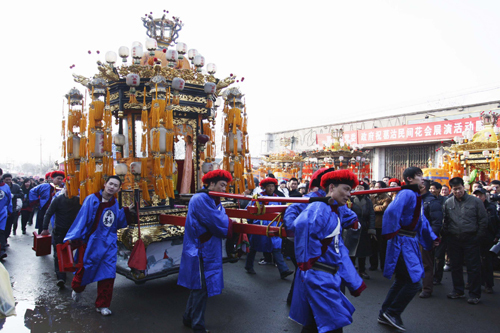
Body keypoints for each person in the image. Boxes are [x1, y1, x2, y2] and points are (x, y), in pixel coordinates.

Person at [290, 169, 366, 333]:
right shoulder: (319, 207)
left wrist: (355, 283)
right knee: (331, 325)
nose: (349, 194)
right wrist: (308, 261)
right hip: (319, 278)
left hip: (327, 277)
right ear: (331, 187)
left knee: (316, 325)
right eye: (346, 189)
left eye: (350, 190)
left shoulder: (333, 210)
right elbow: (301, 225)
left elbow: (339, 252)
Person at [284, 167, 359, 305]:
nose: (348, 193)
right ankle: (295, 301)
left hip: (331, 251)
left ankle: (296, 301)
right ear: (330, 186)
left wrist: (353, 222)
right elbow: (293, 219)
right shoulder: (310, 201)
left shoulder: (337, 203)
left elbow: (350, 217)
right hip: (314, 256)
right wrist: (301, 235)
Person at [378, 167, 438, 331]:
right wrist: (392, 233)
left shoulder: (414, 195)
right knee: (414, 282)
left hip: (409, 241)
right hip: (403, 242)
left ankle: (385, 312)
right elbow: (390, 212)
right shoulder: (407, 193)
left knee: (402, 280)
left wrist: (432, 237)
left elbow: (423, 221)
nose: (422, 179)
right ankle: (392, 312)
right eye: (419, 176)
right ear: (410, 179)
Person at [65, 176, 130, 316]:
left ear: (118, 189)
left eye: (116, 186)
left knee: (108, 275)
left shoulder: (115, 202)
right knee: (85, 269)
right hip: (92, 243)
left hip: (109, 244)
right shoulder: (91, 199)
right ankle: (77, 288)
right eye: (110, 184)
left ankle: (102, 305)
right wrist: (73, 237)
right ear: (105, 184)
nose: (112, 187)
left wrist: (126, 211)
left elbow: (117, 222)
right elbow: (82, 219)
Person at [178, 170, 234, 333]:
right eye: (222, 185)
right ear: (211, 184)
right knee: (201, 288)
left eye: (225, 186)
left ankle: (188, 317)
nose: (224, 189)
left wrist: (226, 220)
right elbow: (217, 221)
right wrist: (230, 224)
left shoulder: (212, 199)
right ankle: (198, 325)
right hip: (199, 249)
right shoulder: (201, 198)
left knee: (198, 287)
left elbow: (220, 218)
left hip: (206, 248)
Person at [443, 177, 487, 305]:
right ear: (452, 189)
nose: (457, 192)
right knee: (455, 266)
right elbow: (445, 221)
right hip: (454, 239)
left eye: (459, 189)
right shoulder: (448, 202)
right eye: (455, 189)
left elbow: (483, 220)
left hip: (471, 238)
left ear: (464, 187)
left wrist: (478, 237)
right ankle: (458, 290)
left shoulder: (475, 202)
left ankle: (474, 294)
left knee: (473, 267)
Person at [244, 177, 293, 279]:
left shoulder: (277, 197)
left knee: (276, 248)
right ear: (265, 187)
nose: (271, 188)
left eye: (272, 186)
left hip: (273, 226)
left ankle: (283, 270)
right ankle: (249, 266)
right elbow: (249, 209)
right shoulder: (258, 197)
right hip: (260, 225)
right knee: (253, 247)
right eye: (269, 186)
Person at [41, 187, 82, 288]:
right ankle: (61, 277)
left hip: (73, 232)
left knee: (74, 252)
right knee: (58, 253)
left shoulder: (78, 201)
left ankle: (72, 271)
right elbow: (48, 213)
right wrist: (45, 228)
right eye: (68, 187)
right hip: (59, 230)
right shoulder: (58, 200)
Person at [345, 181, 376, 280]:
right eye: (357, 187)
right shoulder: (350, 199)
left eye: (361, 188)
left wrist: (371, 228)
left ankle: (362, 270)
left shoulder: (368, 200)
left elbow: (371, 215)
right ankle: (350, 271)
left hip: (363, 227)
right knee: (351, 250)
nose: (358, 189)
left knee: (362, 251)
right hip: (352, 227)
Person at [419, 179, 443, 298]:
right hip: (414, 236)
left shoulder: (432, 201)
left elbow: (436, 222)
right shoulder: (416, 198)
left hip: (426, 237)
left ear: (423, 187)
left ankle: (427, 288)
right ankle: (417, 285)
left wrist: (432, 238)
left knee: (426, 263)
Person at [473, 188, 500, 294]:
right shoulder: (472, 207)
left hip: (488, 238)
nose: (478, 198)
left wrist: (497, 235)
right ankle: (475, 283)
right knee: (475, 262)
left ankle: (488, 285)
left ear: (485, 196)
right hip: (474, 238)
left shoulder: (492, 208)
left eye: (480, 195)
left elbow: (497, 224)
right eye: (476, 195)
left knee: (487, 262)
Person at [370, 181, 392, 271]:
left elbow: (383, 208)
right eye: (375, 187)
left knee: (382, 248)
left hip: (382, 226)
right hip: (373, 225)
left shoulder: (387, 198)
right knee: (373, 247)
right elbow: (370, 208)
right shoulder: (372, 196)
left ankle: (383, 266)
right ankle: (373, 265)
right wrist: (376, 207)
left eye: (378, 187)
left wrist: (374, 207)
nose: (376, 189)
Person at [2, 174, 22, 238]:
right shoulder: (2, 187)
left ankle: (5, 239)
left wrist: (14, 195)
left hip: (12, 208)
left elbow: (21, 194)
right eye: (6, 180)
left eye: (9, 179)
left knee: (9, 225)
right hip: (2, 210)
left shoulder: (16, 187)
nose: (8, 181)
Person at [0, 168, 12, 260]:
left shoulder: (5, 187)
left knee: (1, 232)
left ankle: (2, 250)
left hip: (2, 213)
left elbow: (9, 201)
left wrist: (9, 210)